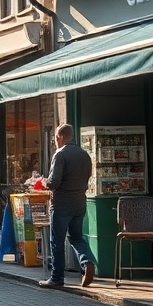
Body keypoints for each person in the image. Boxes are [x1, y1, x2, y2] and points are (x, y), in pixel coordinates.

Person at [39, 123, 98, 288]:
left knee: (57, 241)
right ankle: (87, 262)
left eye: (56, 138)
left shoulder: (60, 154)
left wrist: (43, 182)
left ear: (61, 137)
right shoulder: (84, 155)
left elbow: (54, 182)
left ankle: (57, 277)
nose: (56, 141)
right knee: (76, 237)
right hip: (80, 202)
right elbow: (88, 177)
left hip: (62, 204)